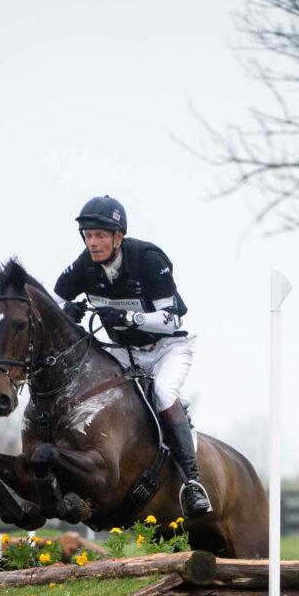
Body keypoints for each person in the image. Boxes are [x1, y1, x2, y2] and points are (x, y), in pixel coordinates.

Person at [54, 194, 212, 517]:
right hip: (126, 353)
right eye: (87, 236)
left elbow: (172, 319)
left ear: (118, 237)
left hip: (167, 348)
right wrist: (65, 310)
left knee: (164, 393)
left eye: (99, 236)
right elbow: (51, 301)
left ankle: (192, 482)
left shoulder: (149, 259)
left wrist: (129, 318)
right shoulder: (84, 266)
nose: (93, 243)